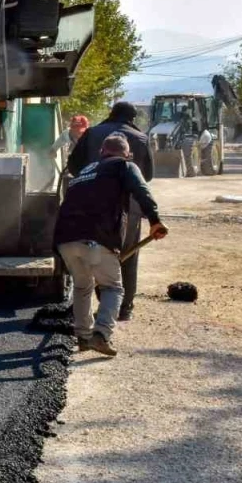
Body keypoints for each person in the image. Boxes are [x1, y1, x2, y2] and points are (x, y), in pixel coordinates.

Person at [55, 133, 167, 356]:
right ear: (128, 154)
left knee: (82, 286)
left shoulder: (85, 172)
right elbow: (142, 190)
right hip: (97, 237)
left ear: (101, 153)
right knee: (113, 288)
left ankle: (83, 337)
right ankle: (101, 335)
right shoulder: (125, 166)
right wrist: (154, 220)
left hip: (65, 239)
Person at [67, 101, 154, 321]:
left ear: (111, 113)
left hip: (90, 204)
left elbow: (74, 166)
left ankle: (87, 310)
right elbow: (148, 176)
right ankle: (123, 308)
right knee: (128, 254)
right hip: (128, 207)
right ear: (132, 118)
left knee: (91, 253)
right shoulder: (141, 138)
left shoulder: (93, 132)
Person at [36, 114, 89, 193]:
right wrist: (53, 151)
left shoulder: (90, 135)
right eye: (76, 130)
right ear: (71, 128)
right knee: (66, 179)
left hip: (87, 164)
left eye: (81, 131)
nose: (79, 134)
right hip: (73, 162)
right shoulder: (66, 134)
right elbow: (55, 146)